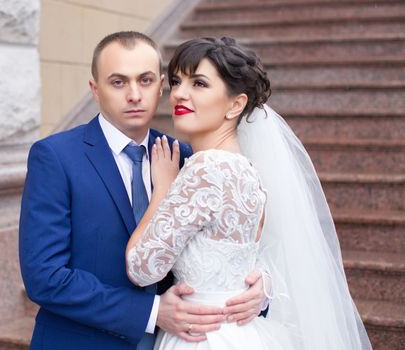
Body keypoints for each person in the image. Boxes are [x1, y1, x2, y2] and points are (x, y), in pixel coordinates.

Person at [19, 32, 269, 350]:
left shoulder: (188, 159)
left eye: (146, 80)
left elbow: (236, 245)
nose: (135, 95)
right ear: (95, 89)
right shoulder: (55, 156)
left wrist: (260, 288)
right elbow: (45, 277)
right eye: (118, 82)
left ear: (161, 85)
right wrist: (151, 313)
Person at [126, 37, 373, 349]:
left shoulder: (205, 169)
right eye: (176, 81)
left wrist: (162, 188)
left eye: (199, 83)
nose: (179, 93)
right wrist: (265, 284)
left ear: (236, 104)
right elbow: (257, 256)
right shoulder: (248, 171)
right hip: (243, 332)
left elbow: (142, 268)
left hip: (203, 336)